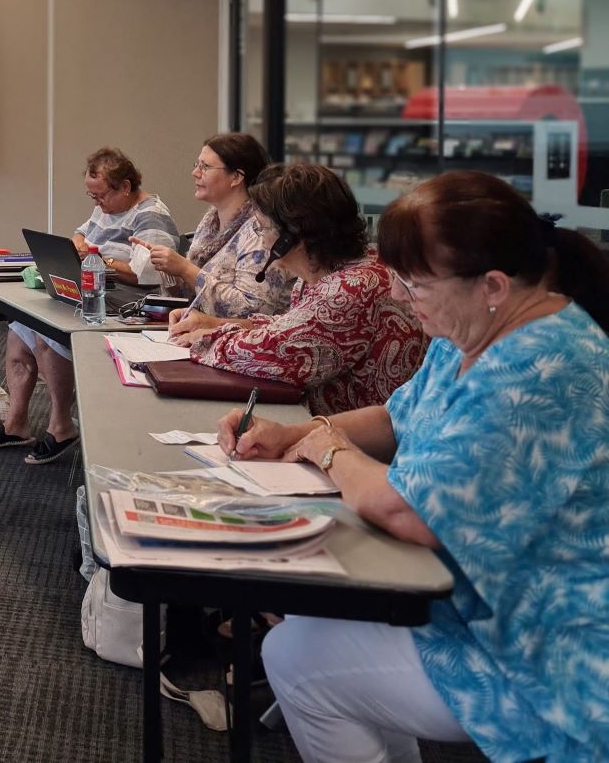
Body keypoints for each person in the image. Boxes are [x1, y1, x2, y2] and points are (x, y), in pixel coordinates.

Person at [219, 172, 609, 763]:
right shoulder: (472, 328)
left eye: (412, 282)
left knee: (296, 658)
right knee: (308, 616)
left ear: (493, 285)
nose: (398, 295)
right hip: (462, 592)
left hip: (541, 650)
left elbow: (406, 510)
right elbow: (398, 418)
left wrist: (326, 449)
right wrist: (294, 434)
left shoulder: (542, 368)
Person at [167, 164, 426, 415]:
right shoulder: (335, 269)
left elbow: (264, 352)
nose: (260, 236)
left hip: (356, 443)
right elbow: (292, 325)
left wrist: (207, 337)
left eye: (262, 227)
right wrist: (216, 323)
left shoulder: (349, 289)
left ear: (292, 236)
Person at [0, 147, 180, 464]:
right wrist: (79, 248)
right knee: (19, 330)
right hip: (95, 288)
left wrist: (100, 258)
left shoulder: (151, 218)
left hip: (127, 302)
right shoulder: (107, 207)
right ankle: (16, 423)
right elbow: (81, 236)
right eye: (93, 197)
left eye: (101, 196)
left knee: (48, 333)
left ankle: (61, 426)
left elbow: (148, 277)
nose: (98, 203)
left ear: (125, 186)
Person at [136, 132, 292, 319]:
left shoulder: (261, 231)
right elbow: (191, 298)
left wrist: (186, 269)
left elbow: (253, 312)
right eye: (197, 165)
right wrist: (169, 269)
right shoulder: (210, 223)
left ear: (236, 177)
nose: (195, 173)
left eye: (206, 166)